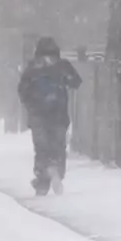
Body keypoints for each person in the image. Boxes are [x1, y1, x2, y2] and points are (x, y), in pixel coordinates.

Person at [17, 37, 82, 196]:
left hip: (38, 115)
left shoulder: (33, 67)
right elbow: (76, 82)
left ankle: (42, 181)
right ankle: (57, 171)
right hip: (59, 114)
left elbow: (22, 90)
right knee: (58, 146)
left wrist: (31, 106)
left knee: (41, 148)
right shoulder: (62, 65)